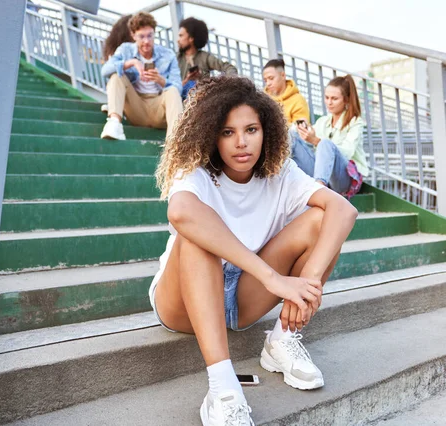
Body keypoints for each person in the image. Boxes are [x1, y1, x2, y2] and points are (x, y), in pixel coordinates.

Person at [152, 75, 358, 425]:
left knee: (323, 221)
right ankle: (222, 387)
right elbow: (180, 212)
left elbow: (344, 210)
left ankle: (282, 340)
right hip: (184, 303)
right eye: (227, 132)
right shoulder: (195, 172)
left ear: (267, 131)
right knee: (197, 236)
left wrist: (305, 284)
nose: (241, 143)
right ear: (211, 134)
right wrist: (274, 279)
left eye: (251, 130)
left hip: (244, 300)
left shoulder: (281, 172)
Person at [100, 12, 182, 141]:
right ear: (133, 35)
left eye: (150, 36)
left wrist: (160, 80)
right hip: (136, 107)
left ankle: (175, 142)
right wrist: (130, 63)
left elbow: (178, 86)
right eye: (141, 36)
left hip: (159, 108)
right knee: (116, 76)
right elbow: (105, 70)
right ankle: (114, 124)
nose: (146, 41)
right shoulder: (125, 49)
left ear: (154, 33)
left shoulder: (168, 54)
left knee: (172, 90)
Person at [291, 75, 369, 198]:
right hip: (320, 173)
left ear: (346, 100)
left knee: (325, 143)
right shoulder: (323, 121)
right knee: (292, 135)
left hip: (343, 180)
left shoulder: (355, 122)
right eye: (326, 98)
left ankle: (319, 191)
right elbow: (303, 139)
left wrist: (316, 141)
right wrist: (301, 129)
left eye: (334, 98)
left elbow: (347, 152)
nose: (329, 102)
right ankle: (277, 179)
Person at [177, 17, 238, 100]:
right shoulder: (176, 58)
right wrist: (187, 80)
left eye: (181, 36)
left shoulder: (205, 57)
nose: (178, 40)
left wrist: (225, 84)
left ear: (191, 38)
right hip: (178, 101)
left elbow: (229, 68)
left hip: (201, 100)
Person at [101, 15, 134, 114]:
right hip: (125, 85)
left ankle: (115, 106)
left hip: (134, 92)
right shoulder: (120, 50)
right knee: (116, 76)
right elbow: (106, 70)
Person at [263, 59, 310, 126]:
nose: (268, 83)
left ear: (283, 75)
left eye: (271, 78)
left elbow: (299, 131)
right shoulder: (262, 100)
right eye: (265, 80)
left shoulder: (298, 101)